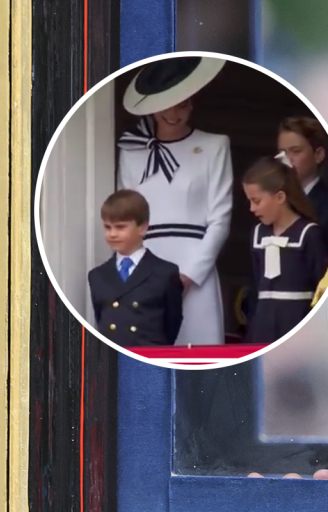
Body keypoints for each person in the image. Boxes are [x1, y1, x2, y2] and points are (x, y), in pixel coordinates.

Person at [117, 56, 233, 346]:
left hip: (196, 270)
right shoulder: (131, 150)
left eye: (181, 103)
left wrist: (188, 276)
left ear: (192, 103)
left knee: (200, 353)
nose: (173, 113)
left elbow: (220, 219)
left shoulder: (214, 145)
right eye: (166, 104)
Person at [242, 154, 328, 344]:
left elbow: (320, 287)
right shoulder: (258, 235)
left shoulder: (309, 234)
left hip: (298, 323)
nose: (251, 208)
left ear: (280, 197)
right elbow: (256, 286)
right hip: (263, 327)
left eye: (256, 201)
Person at [88, 190, 183, 347]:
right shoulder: (97, 276)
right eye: (107, 227)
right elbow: (101, 319)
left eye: (120, 227)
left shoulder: (165, 273)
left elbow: (171, 325)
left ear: (142, 228)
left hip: (149, 356)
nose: (112, 234)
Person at [277, 116, 328, 259]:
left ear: (318, 155)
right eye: (283, 153)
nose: (287, 159)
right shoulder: (274, 200)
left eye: (296, 151)